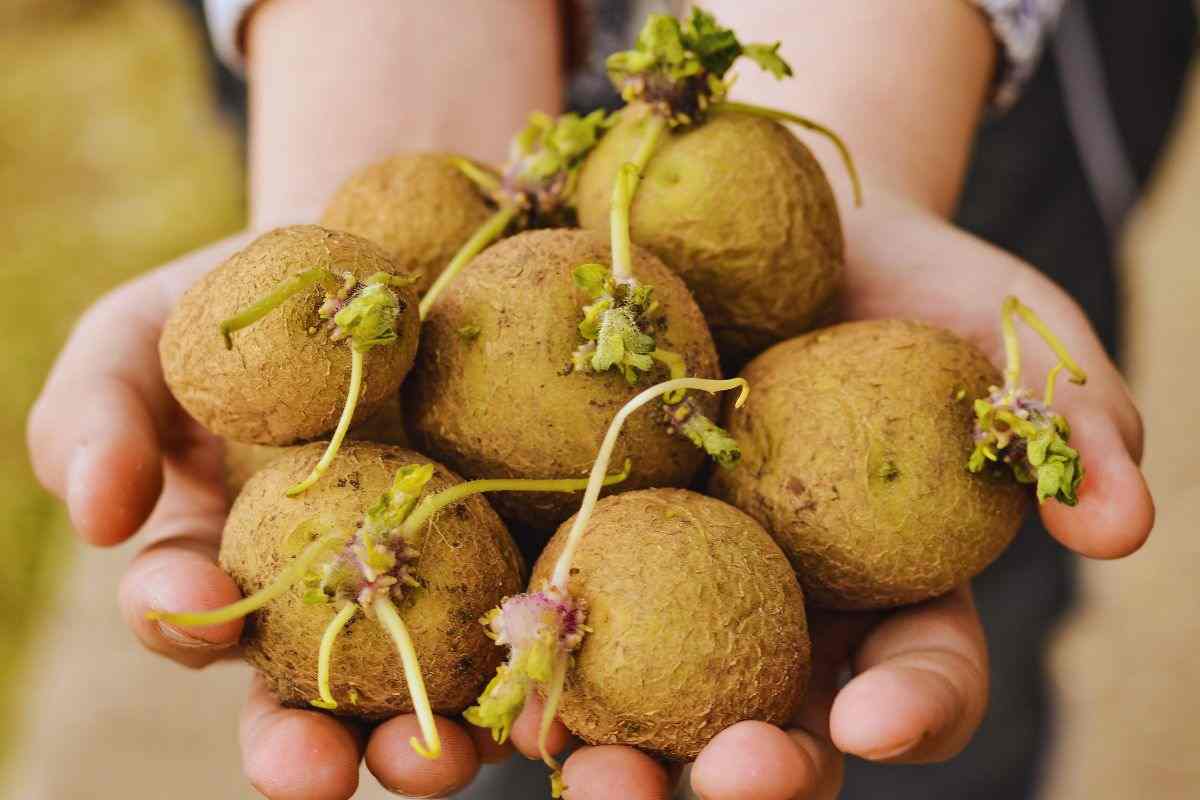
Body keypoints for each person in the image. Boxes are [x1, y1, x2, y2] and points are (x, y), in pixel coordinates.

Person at [27, 1, 1192, 798]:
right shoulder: (387, 355)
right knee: (500, 740)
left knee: (913, 734)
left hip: (944, 84)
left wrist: (882, 73)